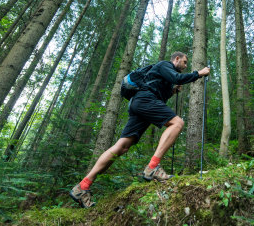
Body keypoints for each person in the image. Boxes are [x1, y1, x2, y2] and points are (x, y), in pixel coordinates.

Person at [70, 51, 210, 208]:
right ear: (176, 59)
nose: (185, 66)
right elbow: (177, 78)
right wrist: (199, 73)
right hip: (144, 100)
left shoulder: (163, 76)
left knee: (122, 147)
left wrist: (171, 91)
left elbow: (160, 95)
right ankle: (152, 167)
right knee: (177, 123)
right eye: (184, 62)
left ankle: (82, 186)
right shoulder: (165, 65)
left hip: (140, 103)